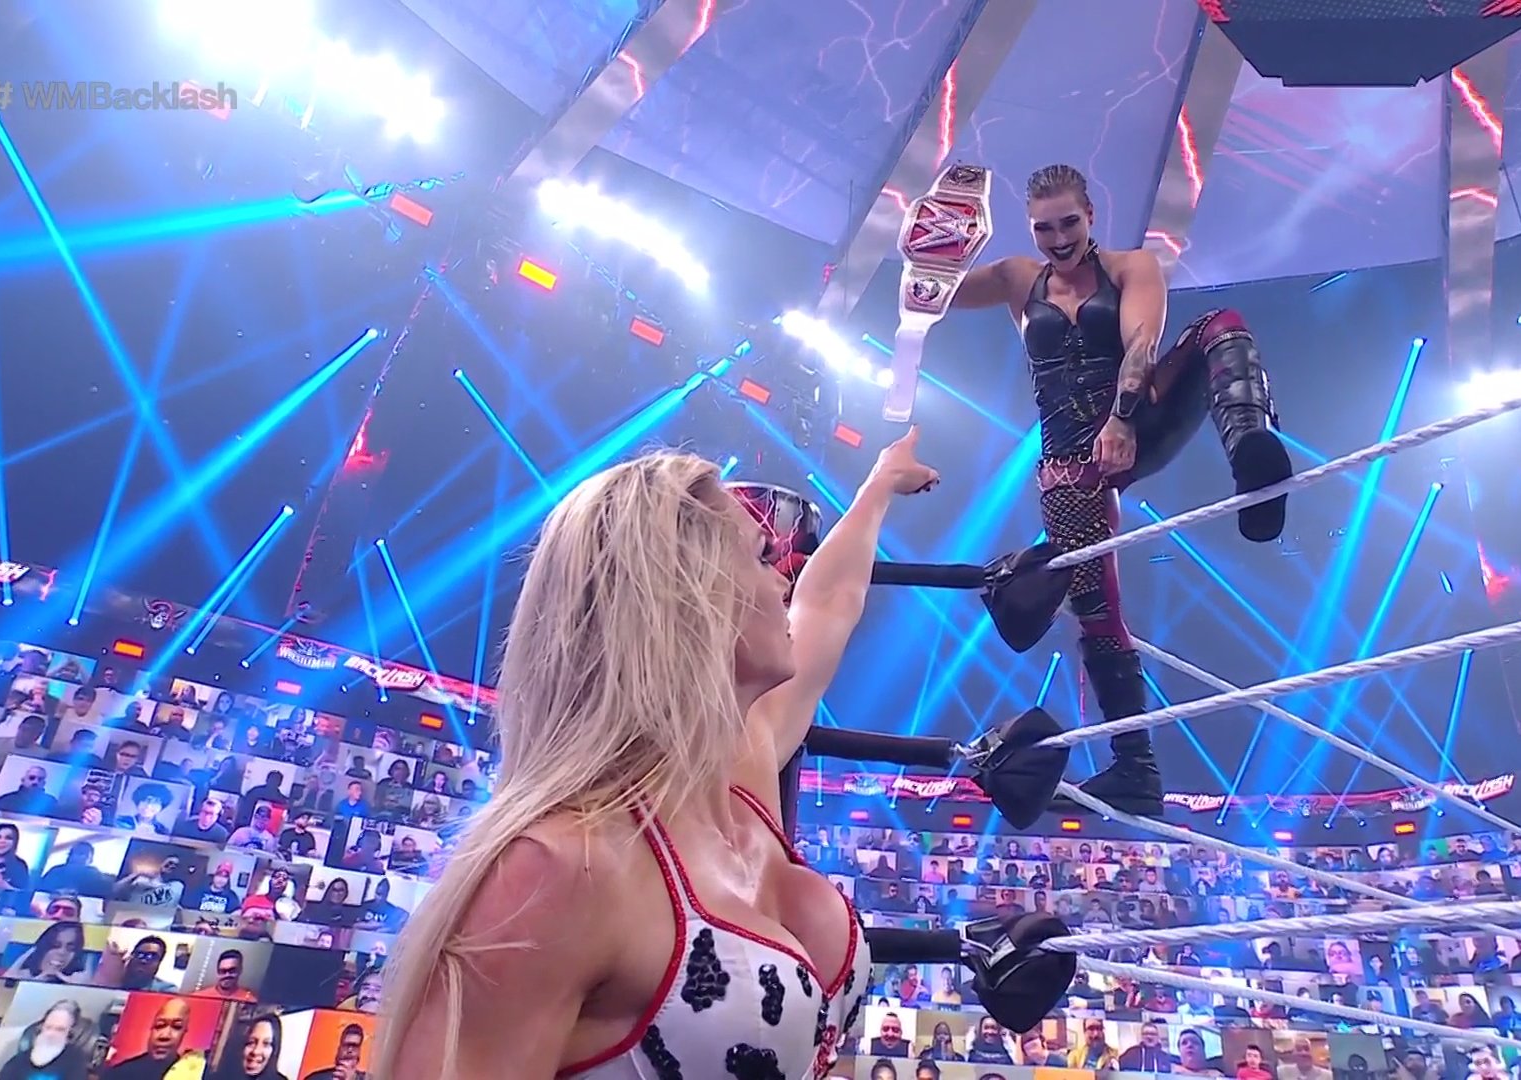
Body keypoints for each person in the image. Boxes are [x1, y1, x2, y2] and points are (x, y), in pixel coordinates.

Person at [377, 441, 940, 1078]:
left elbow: (828, 604)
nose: (784, 581)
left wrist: (880, 485)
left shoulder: (744, 768)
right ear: (688, 596)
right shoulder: (562, 866)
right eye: (762, 558)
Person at [949, 163, 1290, 810]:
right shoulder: (1019, 278)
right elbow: (929, 294)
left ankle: (1253, 452)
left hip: (1136, 422)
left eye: (1068, 223)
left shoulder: (1133, 267)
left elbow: (1140, 343)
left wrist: (1122, 418)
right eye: (1043, 228)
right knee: (1096, 612)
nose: (1058, 239)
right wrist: (936, 242)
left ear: (1091, 216)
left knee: (1222, 323)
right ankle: (1137, 768)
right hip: (1069, 463)